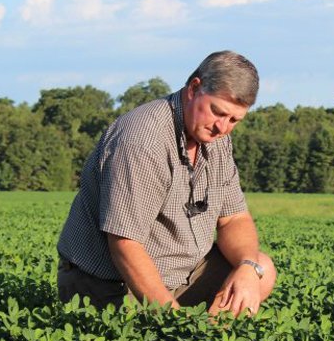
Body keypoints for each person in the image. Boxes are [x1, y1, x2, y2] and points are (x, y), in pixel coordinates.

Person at [56, 50, 276, 316]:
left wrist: (247, 266)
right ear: (194, 89)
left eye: (234, 120)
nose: (223, 128)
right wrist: (176, 324)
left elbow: (234, 219)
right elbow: (125, 245)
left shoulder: (215, 139)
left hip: (181, 274)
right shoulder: (142, 141)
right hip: (113, 283)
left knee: (259, 269)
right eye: (218, 112)